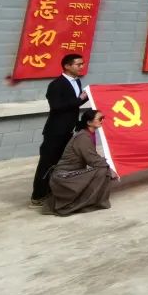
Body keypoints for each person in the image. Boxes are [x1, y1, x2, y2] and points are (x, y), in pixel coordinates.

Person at [30, 53, 89, 206]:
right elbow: (57, 107)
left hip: (69, 130)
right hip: (55, 131)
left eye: (82, 64)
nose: (81, 67)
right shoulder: (56, 85)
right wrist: (80, 99)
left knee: (61, 163)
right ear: (67, 66)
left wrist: (88, 96)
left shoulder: (77, 82)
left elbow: (74, 105)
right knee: (47, 162)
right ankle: (38, 196)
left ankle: (53, 191)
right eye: (78, 64)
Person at [47, 109, 116, 216]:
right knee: (103, 170)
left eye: (103, 118)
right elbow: (93, 161)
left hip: (73, 172)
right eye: (100, 118)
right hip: (64, 176)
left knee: (103, 167)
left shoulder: (88, 134)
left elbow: (93, 158)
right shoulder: (83, 137)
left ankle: (90, 199)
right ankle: (88, 201)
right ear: (89, 122)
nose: (102, 120)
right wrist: (111, 168)